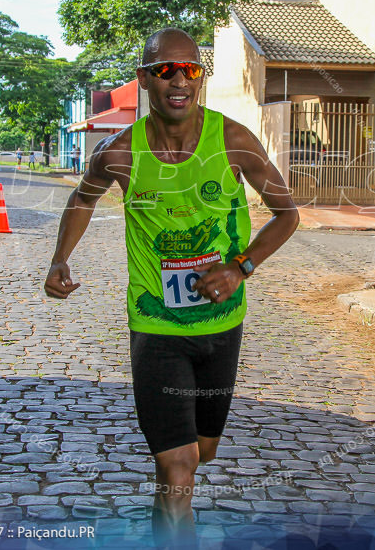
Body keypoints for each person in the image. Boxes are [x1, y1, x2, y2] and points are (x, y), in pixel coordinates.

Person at [45, 27, 298, 545]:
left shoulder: (232, 142)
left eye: (191, 69)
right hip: (156, 327)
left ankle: (165, 520)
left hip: (222, 327)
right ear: (144, 79)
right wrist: (58, 260)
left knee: (201, 452)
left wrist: (240, 268)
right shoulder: (119, 154)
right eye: (166, 70)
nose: (180, 80)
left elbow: (286, 215)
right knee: (178, 463)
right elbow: (82, 199)